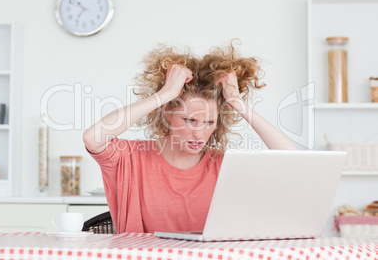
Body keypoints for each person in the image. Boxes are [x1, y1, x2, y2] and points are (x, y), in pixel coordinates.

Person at [83, 40, 296, 234]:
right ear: (167, 112)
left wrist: (238, 103)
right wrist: (165, 94)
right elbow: (94, 137)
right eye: (190, 120)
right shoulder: (130, 159)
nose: (200, 133)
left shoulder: (224, 166)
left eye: (209, 122)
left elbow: (295, 165)